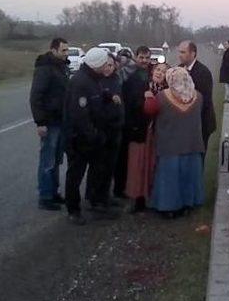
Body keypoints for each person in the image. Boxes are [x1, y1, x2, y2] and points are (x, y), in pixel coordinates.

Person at [63, 47, 122, 225]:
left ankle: (97, 203)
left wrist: (108, 96)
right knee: (75, 175)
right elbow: (80, 116)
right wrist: (94, 135)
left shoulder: (93, 79)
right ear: (96, 65)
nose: (107, 66)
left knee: (98, 171)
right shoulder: (80, 82)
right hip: (79, 139)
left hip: (94, 137)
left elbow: (95, 97)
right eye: (104, 63)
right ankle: (73, 210)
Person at [145, 67, 205, 216]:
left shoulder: (162, 97)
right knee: (189, 176)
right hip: (192, 144)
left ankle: (168, 207)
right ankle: (188, 203)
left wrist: (148, 97)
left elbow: (149, 111)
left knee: (169, 178)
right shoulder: (198, 97)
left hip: (169, 145)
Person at [29, 37, 70, 211]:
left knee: (56, 160)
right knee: (47, 160)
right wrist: (41, 122)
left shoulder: (61, 67)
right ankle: (45, 196)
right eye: (63, 51)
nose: (66, 53)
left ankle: (54, 192)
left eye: (67, 50)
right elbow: (36, 96)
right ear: (53, 50)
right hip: (50, 122)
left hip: (61, 120)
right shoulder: (45, 69)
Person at [124, 56, 168, 213]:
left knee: (152, 165)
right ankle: (137, 198)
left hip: (158, 134)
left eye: (163, 71)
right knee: (137, 165)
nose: (159, 73)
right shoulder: (142, 86)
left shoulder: (167, 92)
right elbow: (132, 106)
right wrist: (144, 100)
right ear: (152, 71)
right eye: (158, 70)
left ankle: (152, 197)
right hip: (141, 131)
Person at [113, 47, 148, 199]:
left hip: (143, 122)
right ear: (136, 57)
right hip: (129, 121)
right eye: (141, 57)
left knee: (137, 157)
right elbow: (128, 100)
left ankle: (133, 186)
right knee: (124, 157)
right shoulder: (130, 77)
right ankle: (119, 188)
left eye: (147, 58)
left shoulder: (149, 74)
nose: (144, 61)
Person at [178, 40, 216, 151]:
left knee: (198, 157)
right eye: (179, 52)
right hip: (184, 124)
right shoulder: (178, 69)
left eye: (183, 52)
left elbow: (204, 101)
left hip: (201, 123)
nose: (179, 55)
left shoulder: (203, 72)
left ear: (193, 53)